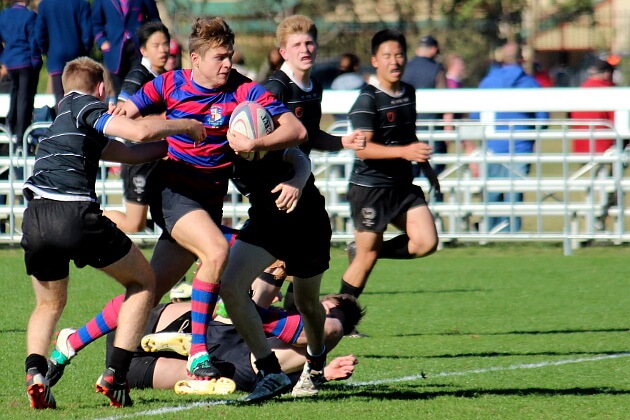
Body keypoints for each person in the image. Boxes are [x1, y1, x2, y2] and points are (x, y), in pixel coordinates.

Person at [44, 16, 307, 389]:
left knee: (148, 291)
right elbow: (125, 116)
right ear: (195, 59)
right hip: (172, 194)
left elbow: (296, 130)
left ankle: (70, 344)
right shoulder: (169, 84)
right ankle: (198, 351)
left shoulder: (243, 90)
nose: (227, 64)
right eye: (219, 57)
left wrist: (255, 144)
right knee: (216, 252)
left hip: (207, 204)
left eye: (230, 55)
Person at [21, 56, 207, 410]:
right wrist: (186, 126)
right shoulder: (86, 104)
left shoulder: (60, 120)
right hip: (73, 213)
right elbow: (135, 132)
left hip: (35, 216)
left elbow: (128, 152)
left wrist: (170, 148)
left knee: (48, 304)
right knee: (144, 284)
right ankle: (116, 375)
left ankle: (36, 374)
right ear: (102, 88)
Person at [219, 15, 365, 403]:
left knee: (305, 303)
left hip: (305, 217)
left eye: (310, 43)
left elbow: (305, 139)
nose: (306, 49)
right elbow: (285, 142)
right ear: (283, 51)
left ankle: (314, 365)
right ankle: (269, 370)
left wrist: (339, 143)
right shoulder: (271, 90)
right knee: (232, 286)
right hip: (269, 214)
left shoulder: (311, 87)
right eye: (298, 45)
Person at [339, 29, 439, 331]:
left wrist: (426, 165)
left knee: (426, 242)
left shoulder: (408, 91)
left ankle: (366, 248)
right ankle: (341, 319)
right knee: (365, 260)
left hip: (402, 185)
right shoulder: (367, 100)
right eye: (387, 56)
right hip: (371, 189)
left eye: (399, 55)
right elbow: (362, 149)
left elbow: (408, 136)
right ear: (374, 61)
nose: (394, 61)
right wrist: (405, 151)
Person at [106, 293, 364, 394]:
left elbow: (331, 330)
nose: (323, 314)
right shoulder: (276, 310)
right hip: (148, 324)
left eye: (328, 311)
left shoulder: (321, 335)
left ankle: (202, 370)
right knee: (245, 303)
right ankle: (199, 344)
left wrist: (319, 372)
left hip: (135, 367)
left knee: (253, 364)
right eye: (324, 307)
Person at [469, 42, 549, 233]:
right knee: (514, 196)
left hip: (493, 146)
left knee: (492, 195)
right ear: (522, 59)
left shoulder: (488, 82)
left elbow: (474, 117)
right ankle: (511, 233)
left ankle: (489, 233)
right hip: (521, 148)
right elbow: (543, 119)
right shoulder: (530, 84)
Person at [102, 21, 171, 233]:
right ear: (143, 50)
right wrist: (161, 120)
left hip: (159, 158)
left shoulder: (164, 77)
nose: (163, 49)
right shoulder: (138, 76)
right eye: (156, 45)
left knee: (170, 218)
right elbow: (122, 115)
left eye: (165, 44)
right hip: (139, 159)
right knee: (135, 224)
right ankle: (88, 214)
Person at [569, 59, 617, 230]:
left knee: (590, 190)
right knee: (609, 189)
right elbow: (617, 122)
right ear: (606, 73)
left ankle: (591, 224)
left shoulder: (581, 90)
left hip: (581, 148)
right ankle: (598, 224)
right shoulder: (609, 91)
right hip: (604, 149)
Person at [402, 34, 451, 189]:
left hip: (409, 128)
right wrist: (447, 127)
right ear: (434, 49)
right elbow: (444, 100)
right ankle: (435, 205)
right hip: (432, 128)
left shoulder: (404, 68)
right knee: (435, 174)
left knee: (409, 175)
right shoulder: (437, 68)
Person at [91, 0, 161, 97]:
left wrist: (151, 40)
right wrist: (102, 41)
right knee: (118, 91)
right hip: (114, 50)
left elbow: (154, 19)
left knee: (139, 83)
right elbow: (95, 22)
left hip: (138, 48)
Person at [35, 0, 92, 107]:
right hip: (77, 54)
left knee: (59, 95)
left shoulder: (45, 5)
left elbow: (39, 33)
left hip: (55, 54)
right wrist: (86, 52)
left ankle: (63, 120)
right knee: (79, 93)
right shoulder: (82, 4)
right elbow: (87, 34)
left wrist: (45, 50)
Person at [0, 0, 42, 147]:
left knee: (14, 92)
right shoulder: (30, 16)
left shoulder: (3, 15)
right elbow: (34, 41)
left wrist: (3, 57)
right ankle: (21, 134)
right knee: (24, 98)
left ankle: (10, 124)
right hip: (25, 61)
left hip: (10, 61)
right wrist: (36, 61)